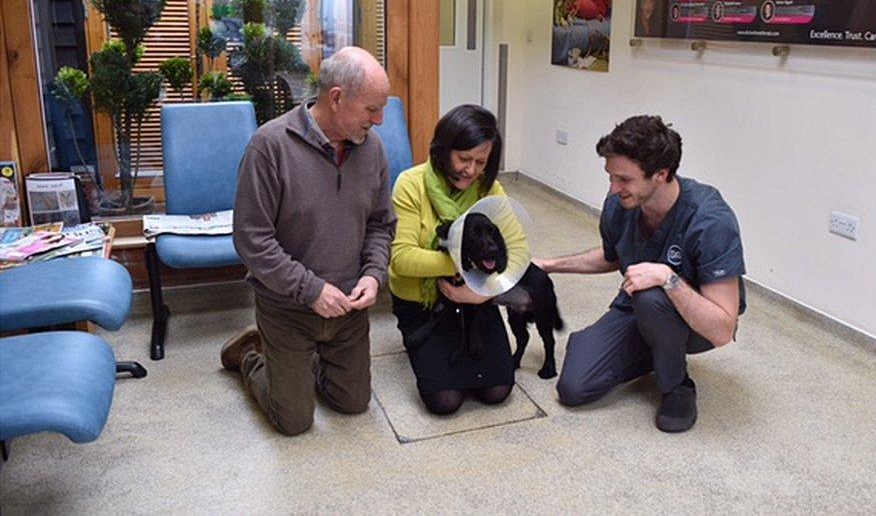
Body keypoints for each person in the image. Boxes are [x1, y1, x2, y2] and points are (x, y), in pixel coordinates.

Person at [221, 46, 397, 436]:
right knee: (294, 422)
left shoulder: (373, 150)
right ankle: (253, 355)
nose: (380, 120)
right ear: (336, 98)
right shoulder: (269, 146)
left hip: (349, 308)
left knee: (352, 403)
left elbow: (381, 225)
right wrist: (311, 289)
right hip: (288, 308)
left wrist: (372, 275)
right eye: (372, 109)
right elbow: (252, 240)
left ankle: (299, 364)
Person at [535, 116, 745, 433]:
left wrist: (668, 278)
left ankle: (676, 385)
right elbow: (611, 256)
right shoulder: (621, 205)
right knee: (574, 388)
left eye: (624, 179)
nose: (613, 188)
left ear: (661, 174)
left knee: (651, 297)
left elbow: (722, 330)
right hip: (637, 307)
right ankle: (656, 347)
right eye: (610, 177)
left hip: (696, 323)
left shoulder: (710, 220)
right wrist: (548, 265)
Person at [388, 104, 527, 415]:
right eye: (464, 158)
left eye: (481, 162)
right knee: (445, 401)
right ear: (443, 149)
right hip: (422, 301)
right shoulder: (411, 184)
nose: (471, 170)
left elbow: (517, 251)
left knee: (497, 390)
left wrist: (480, 292)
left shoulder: (489, 189)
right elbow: (402, 259)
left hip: (475, 299)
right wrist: (466, 265)